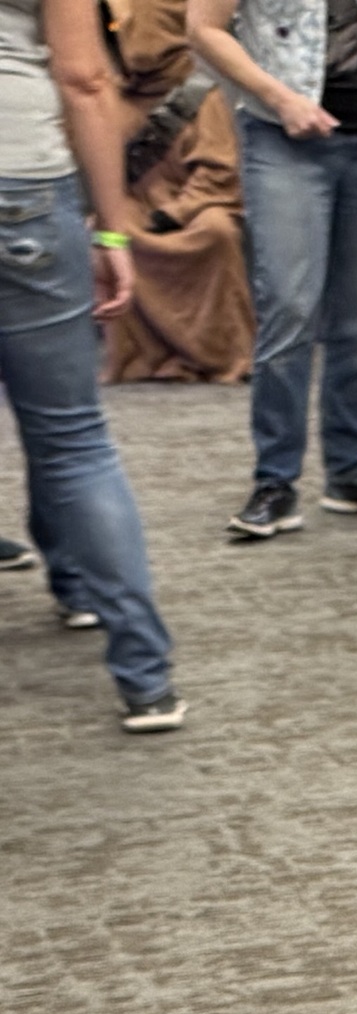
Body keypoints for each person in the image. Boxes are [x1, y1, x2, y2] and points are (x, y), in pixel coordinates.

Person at [2, 0, 187, 729]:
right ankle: (144, 677)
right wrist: (112, 234)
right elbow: (83, 78)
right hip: (21, 181)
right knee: (72, 439)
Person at [187, 0, 357, 540]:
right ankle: (275, 479)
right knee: (289, 307)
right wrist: (280, 98)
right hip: (282, 137)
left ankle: (350, 472)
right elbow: (203, 30)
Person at [102, 0, 256, 385]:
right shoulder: (111, 100)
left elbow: (219, 170)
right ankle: (143, 358)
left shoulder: (199, 95)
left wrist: (179, 211)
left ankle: (222, 353)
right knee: (108, 235)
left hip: (197, 206)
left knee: (216, 232)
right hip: (135, 204)